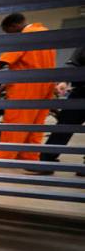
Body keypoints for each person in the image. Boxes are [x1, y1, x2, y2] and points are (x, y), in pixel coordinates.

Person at [0, 13, 56, 166]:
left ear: (13, 26)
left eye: (8, 33)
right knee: (36, 124)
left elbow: (2, 62)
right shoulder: (45, 32)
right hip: (46, 85)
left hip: (26, 87)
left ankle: (4, 157)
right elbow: (30, 62)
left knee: (15, 122)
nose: (9, 36)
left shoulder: (24, 36)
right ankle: (28, 156)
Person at [38, 46, 85, 175]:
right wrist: (64, 80)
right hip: (81, 92)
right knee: (64, 126)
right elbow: (73, 64)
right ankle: (45, 162)